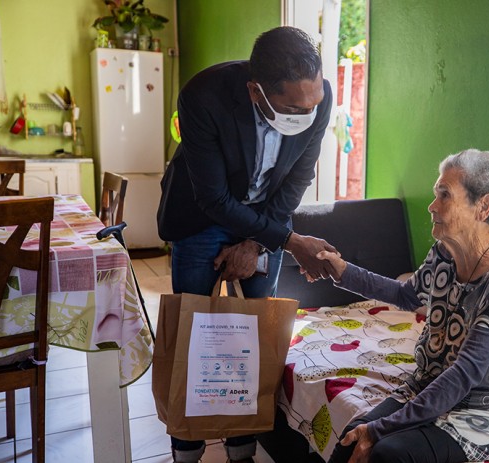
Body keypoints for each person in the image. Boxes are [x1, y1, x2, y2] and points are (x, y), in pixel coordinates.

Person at [157, 26, 336, 463]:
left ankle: (242, 447)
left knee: (255, 337)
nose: (307, 113)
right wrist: (290, 242)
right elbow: (213, 197)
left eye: (312, 104)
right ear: (257, 91)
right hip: (201, 218)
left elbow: (298, 178)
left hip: (268, 221)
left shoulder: (319, 97)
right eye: (295, 107)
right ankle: (187, 446)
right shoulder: (204, 95)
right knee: (193, 334)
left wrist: (259, 242)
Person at [312, 149, 489, 463]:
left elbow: (465, 374)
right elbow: (407, 295)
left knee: (389, 454)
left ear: (483, 207)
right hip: (430, 386)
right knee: (351, 438)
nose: (432, 206)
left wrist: (381, 429)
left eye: (445, 195)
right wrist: (342, 270)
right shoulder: (445, 252)